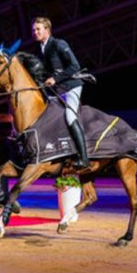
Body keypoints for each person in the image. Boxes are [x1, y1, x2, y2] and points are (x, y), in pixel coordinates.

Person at [32, 16, 89, 168]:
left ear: (47, 29)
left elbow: (75, 66)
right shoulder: (40, 50)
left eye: (38, 29)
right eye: (33, 30)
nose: (35, 32)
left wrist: (55, 79)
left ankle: (84, 158)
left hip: (71, 86)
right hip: (58, 89)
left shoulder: (58, 43)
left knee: (70, 117)